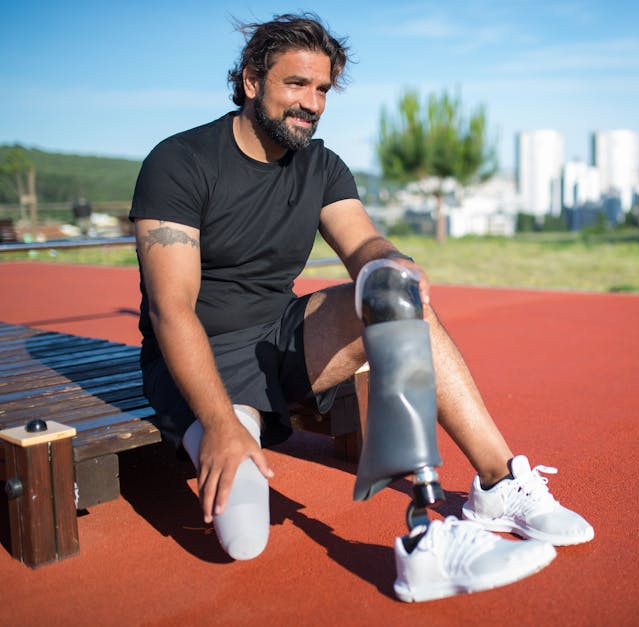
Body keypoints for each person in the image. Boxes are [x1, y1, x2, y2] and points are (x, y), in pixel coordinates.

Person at [130, 13, 592, 602]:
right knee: (245, 537)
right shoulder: (180, 161)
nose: (312, 103)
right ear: (251, 81)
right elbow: (172, 311)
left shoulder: (320, 166)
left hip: (278, 339)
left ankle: (491, 487)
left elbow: (363, 245)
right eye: (297, 84)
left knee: (393, 293)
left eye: (323, 89)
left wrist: (391, 263)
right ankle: (232, 429)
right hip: (198, 358)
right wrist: (220, 424)